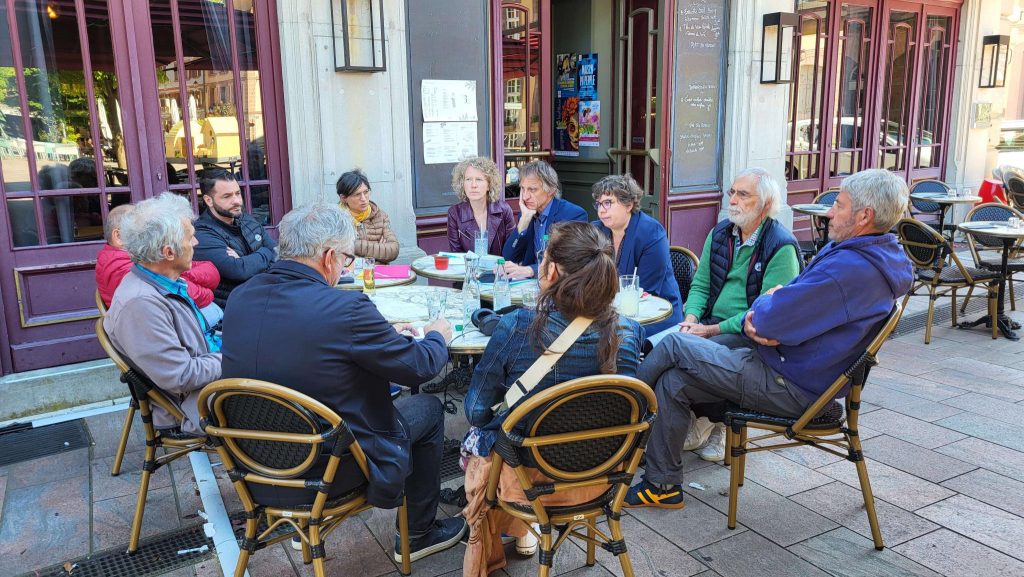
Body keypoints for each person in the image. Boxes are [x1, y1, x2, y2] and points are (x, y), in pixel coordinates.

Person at [624, 168, 913, 509]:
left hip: (791, 384)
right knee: (673, 380)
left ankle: (618, 426)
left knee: (673, 345)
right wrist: (771, 306)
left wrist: (764, 305)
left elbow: (766, 321)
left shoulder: (848, 269)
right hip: (791, 368)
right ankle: (662, 485)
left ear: (864, 216)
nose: (830, 211)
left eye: (840, 204)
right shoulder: (874, 257)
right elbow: (778, 308)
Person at [220, 203, 466, 563]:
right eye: (348, 259)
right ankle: (418, 533)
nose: (346, 268)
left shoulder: (242, 296)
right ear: (329, 256)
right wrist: (436, 336)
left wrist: (383, 337)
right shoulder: (345, 309)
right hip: (326, 468)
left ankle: (299, 527)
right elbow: (418, 367)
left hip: (254, 463)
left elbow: (303, 348)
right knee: (427, 407)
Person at [461, 221, 644, 576]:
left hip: (529, 483)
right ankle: (525, 529)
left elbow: (476, 411)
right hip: (602, 476)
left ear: (552, 270)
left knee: (482, 440)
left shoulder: (516, 326)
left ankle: (522, 526)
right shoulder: (630, 331)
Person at [657, 168, 801, 461]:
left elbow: (765, 314)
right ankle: (691, 421)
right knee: (662, 346)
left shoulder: (781, 246)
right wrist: (692, 318)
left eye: (743, 194)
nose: (733, 200)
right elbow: (700, 284)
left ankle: (720, 424)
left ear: (765, 203)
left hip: (748, 335)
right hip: (708, 323)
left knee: (679, 359)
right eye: (731, 192)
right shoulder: (721, 233)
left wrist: (711, 330)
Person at [103, 193, 222, 436]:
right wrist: (233, 357)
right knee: (294, 380)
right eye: (191, 237)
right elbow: (181, 376)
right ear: (168, 252)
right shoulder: (140, 304)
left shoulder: (160, 281)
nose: (196, 243)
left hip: (209, 379)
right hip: (197, 405)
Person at [96, 203, 223, 326]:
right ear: (118, 236)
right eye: (137, 230)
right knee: (218, 313)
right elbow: (189, 295)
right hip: (170, 321)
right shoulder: (121, 267)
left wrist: (178, 273)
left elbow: (209, 269)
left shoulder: (126, 258)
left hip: (176, 317)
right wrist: (208, 293)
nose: (149, 235)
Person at [590, 174, 682, 335]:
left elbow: (646, 288)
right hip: (610, 310)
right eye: (598, 204)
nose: (601, 210)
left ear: (629, 204)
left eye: (608, 203)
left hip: (655, 315)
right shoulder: (595, 230)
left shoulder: (651, 232)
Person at [193, 170, 277, 307]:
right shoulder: (202, 234)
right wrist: (264, 252)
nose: (237, 201)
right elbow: (238, 270)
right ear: (209, 200)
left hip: (265, 300)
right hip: (233, 310)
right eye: (227, 196)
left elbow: (277, 252)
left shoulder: (246, 219)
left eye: (238, 193)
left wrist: (244, 260)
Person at [501, 160, 588, 278]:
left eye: (532, 190)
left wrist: (531, 270)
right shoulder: (527, 214)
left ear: (551, 190)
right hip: (529, 287)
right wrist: (523, 222)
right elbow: (509, 257)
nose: (525, 197)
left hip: (559, 287)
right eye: (522, 189)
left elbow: (570, 261)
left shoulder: (573, 215)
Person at [447, 157, 515, 255]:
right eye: (468, 179)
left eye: (479, 179)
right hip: (469, 269)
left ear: (489, 185)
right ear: (462, 184)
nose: (473, 185)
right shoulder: (455, 213)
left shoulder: (504, 210)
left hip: (499, 269)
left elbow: (512, 251)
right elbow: (457, 255)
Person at [336, 169, 400, 263]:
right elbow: (339, 255)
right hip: (350, 275)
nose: (363, 199)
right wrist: (379, 250)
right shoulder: (335, 220)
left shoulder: (380, 216)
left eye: (366, 192)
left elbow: (393, 250)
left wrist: (354, 246)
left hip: (379, 274)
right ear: (343, 198)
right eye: (357, 194)